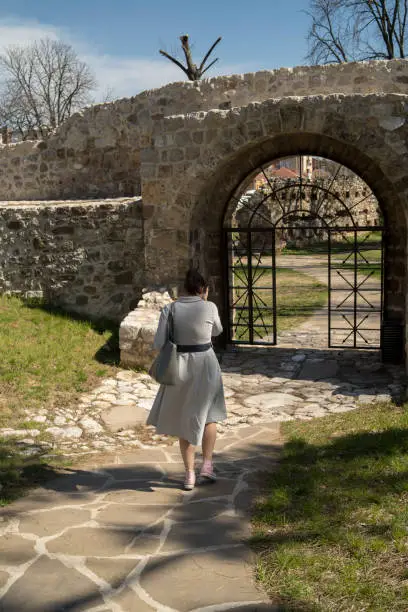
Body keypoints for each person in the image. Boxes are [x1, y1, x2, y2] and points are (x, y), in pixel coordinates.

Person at [147, 268, 227, 490]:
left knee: (186, 417)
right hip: (206, 364)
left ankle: (189, 474)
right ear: (203, 289)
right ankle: (207, 466)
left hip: (181, 365)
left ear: (184, 288)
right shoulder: (209, 307)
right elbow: (218, 331)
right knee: (210, 415)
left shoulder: (170, 309)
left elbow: (158, 342)